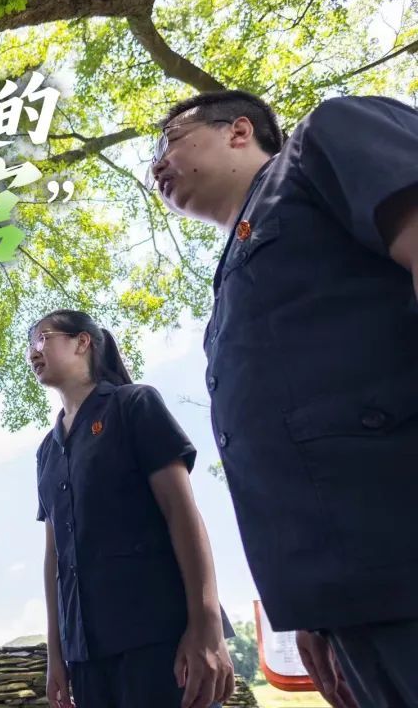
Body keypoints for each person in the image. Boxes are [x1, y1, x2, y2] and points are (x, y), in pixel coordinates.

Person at [150, 89, 418, 707]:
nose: (157, 165)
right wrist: (313, 609)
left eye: (170, 142)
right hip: (352, 596)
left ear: (239, 130)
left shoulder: (325, 139)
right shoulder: (228, 284)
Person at [29, 309, 235, 708]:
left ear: (82, 342)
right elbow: (54, 557)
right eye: (29, 345)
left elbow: (182, 513)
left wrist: (205, 623)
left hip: (159, 638)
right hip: (87, 656)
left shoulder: (134, 404)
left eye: (43, 337)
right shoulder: (46, 452)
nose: (32, 351)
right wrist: (57, 654)